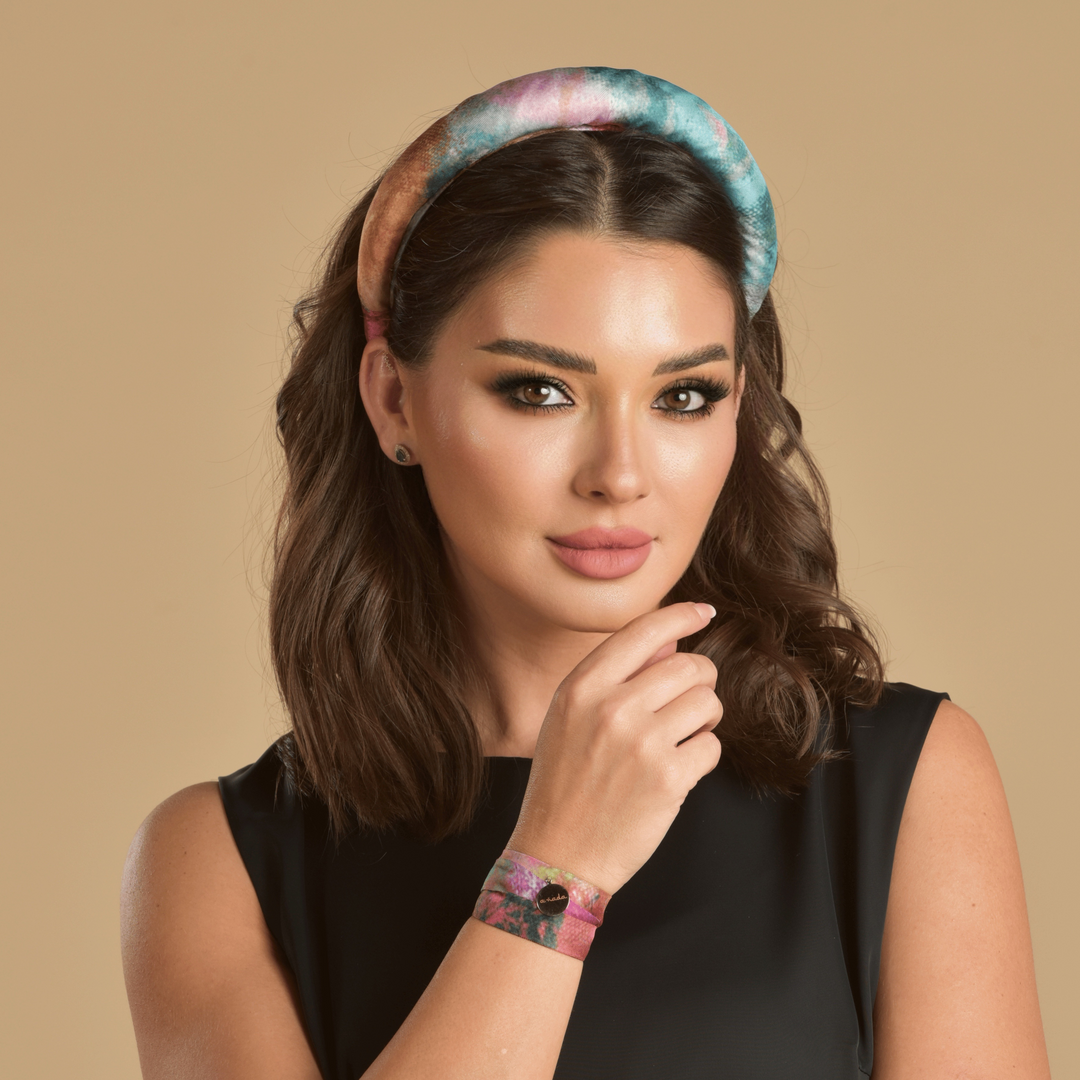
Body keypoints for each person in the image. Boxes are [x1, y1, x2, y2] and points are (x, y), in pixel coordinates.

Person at [119, 68, 1051, 1080]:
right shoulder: (219, 861)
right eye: (539, 390)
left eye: (683, 397)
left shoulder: (899, 783)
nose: (619, 474)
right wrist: (558, 865)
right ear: (393, 402)